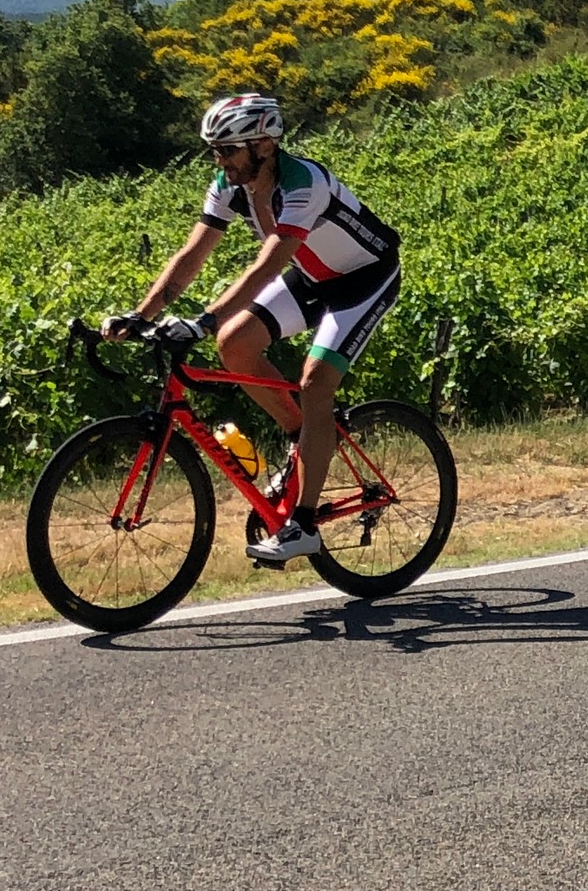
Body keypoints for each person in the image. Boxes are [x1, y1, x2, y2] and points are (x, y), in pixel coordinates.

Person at [108, 93, 402, 562]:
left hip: (363, 280)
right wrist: (141, 315)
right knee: (235, 345)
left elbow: (267, 267)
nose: (219, 161)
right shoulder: (229, 185)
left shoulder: (304, 183)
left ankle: (303, 526)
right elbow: (191, 256)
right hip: (311, 276)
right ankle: (301, 438)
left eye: (227, 150)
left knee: (315, 381)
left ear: (263, 145)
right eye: (215, 151)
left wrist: (202, 322)